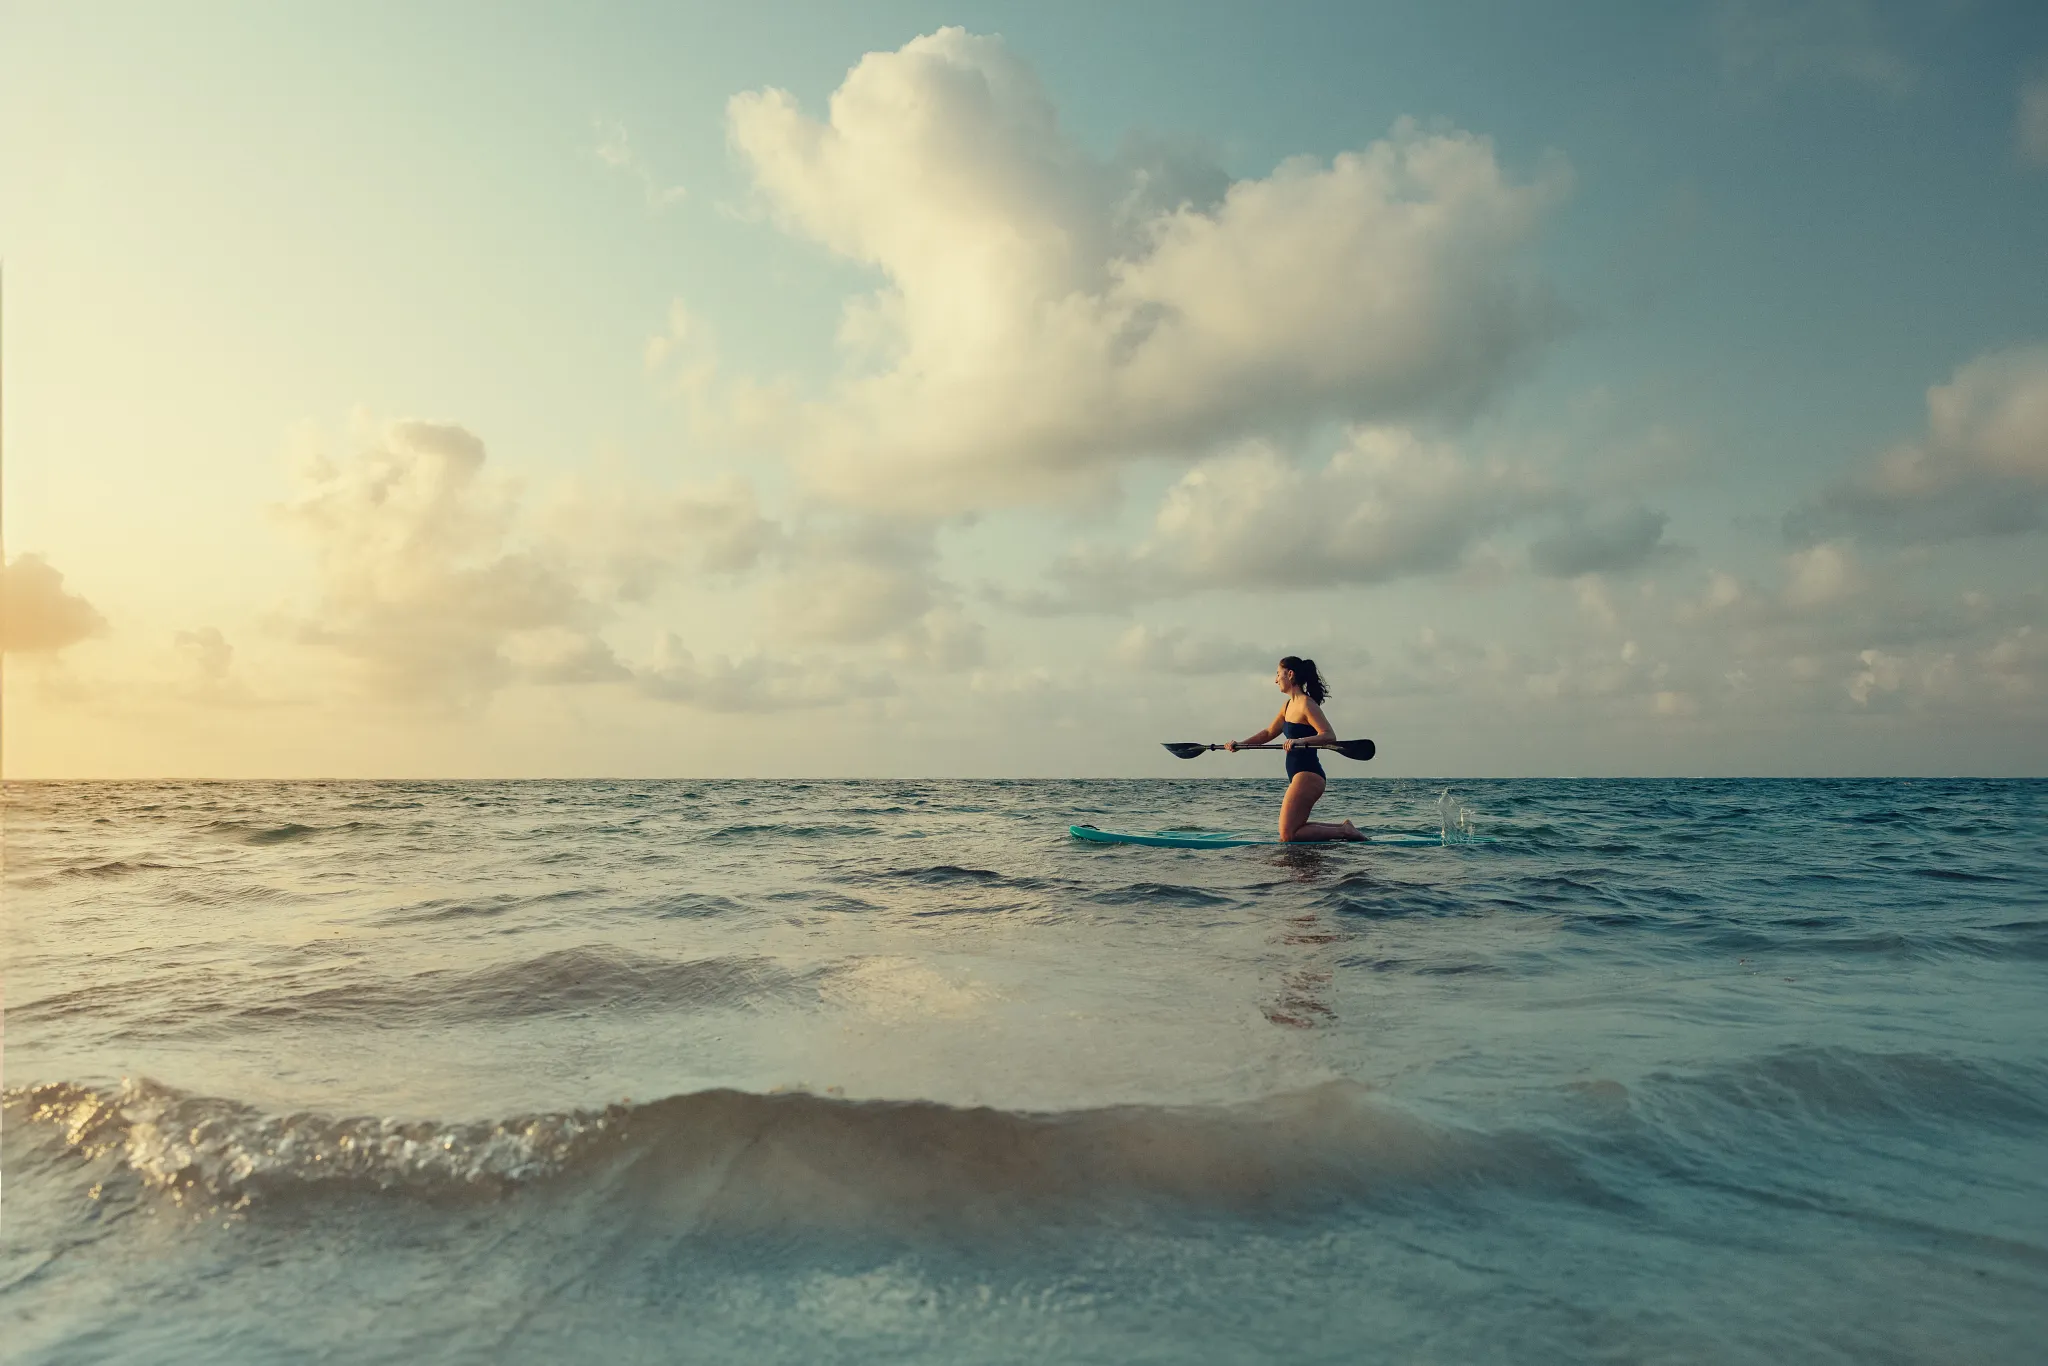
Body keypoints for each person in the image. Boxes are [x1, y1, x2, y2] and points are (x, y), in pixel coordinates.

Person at [1227, 657, 1367, 843]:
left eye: (1278, 674)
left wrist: (1298, 741)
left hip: (1309, 775)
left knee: (1288, 835)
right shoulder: (1287, 706)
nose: (1276, 680)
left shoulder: (1306, 704)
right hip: (1298, 775)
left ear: (1290, 674)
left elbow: (1328, 735)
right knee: (1295, 829)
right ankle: (1343, 828)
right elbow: (1269, 733)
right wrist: (1240, 745)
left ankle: (1345, 832)